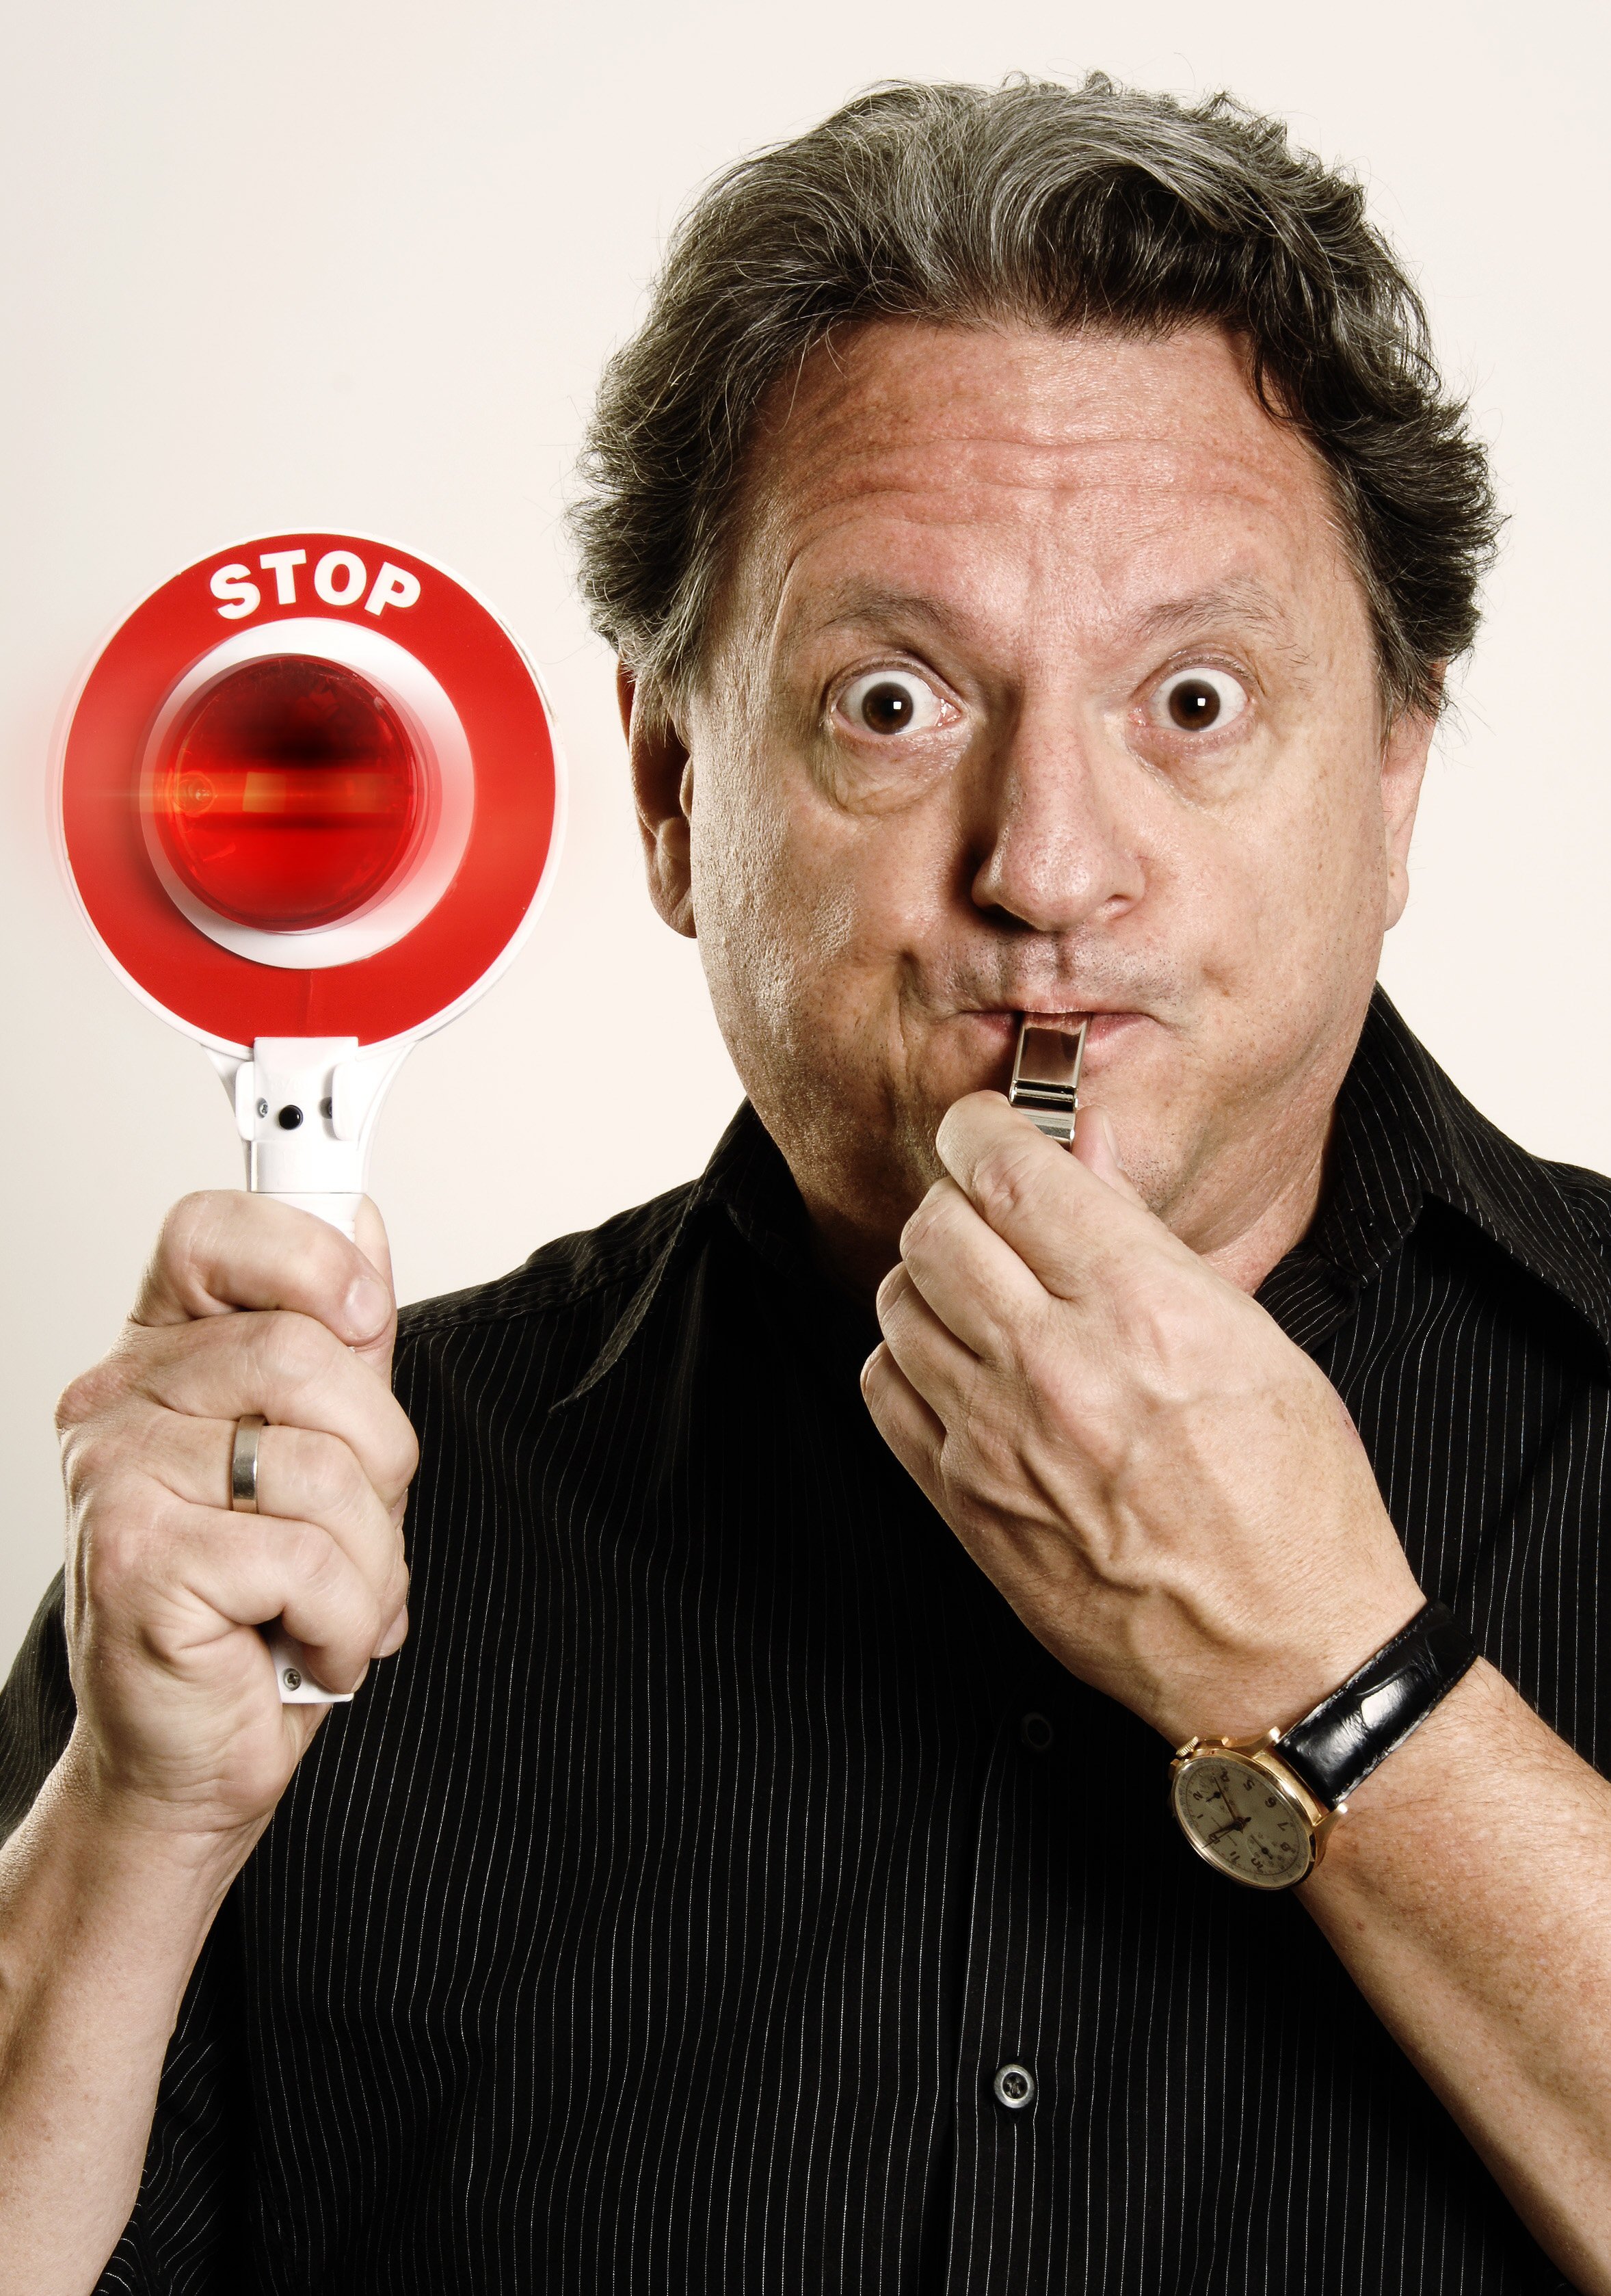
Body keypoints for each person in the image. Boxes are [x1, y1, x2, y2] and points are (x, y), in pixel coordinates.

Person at [2, 71, 1608, 2296]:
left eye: (1193, 701)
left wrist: (1336, 1677)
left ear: (1395, 777)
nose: (1045, 867)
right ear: (671, 789)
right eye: (889, 703)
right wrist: (133, 1832)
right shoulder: (318, 1525)